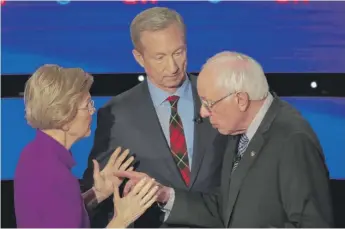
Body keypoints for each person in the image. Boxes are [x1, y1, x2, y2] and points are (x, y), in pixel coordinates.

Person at [116, 51, 334, 227]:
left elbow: (313, 223)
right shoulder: (238, 133)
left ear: (240, 100)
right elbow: (226, 210)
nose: (202, 113)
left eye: (209, 103)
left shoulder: (292, 139)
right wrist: (163, 194)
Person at [82, 7, 223, 228]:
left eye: (178, 52)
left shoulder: (218, 96)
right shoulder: (117, 114)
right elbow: (99, 194)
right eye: (160, 57)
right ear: (139, 57)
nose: (173, 66)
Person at [14, 65, 159, 228]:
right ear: (64, 116)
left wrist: (98, 192)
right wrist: (122, 219)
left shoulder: (32, 154)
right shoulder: (57, 176)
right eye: (87, 105)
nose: (92, 111)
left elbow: (58, 214)